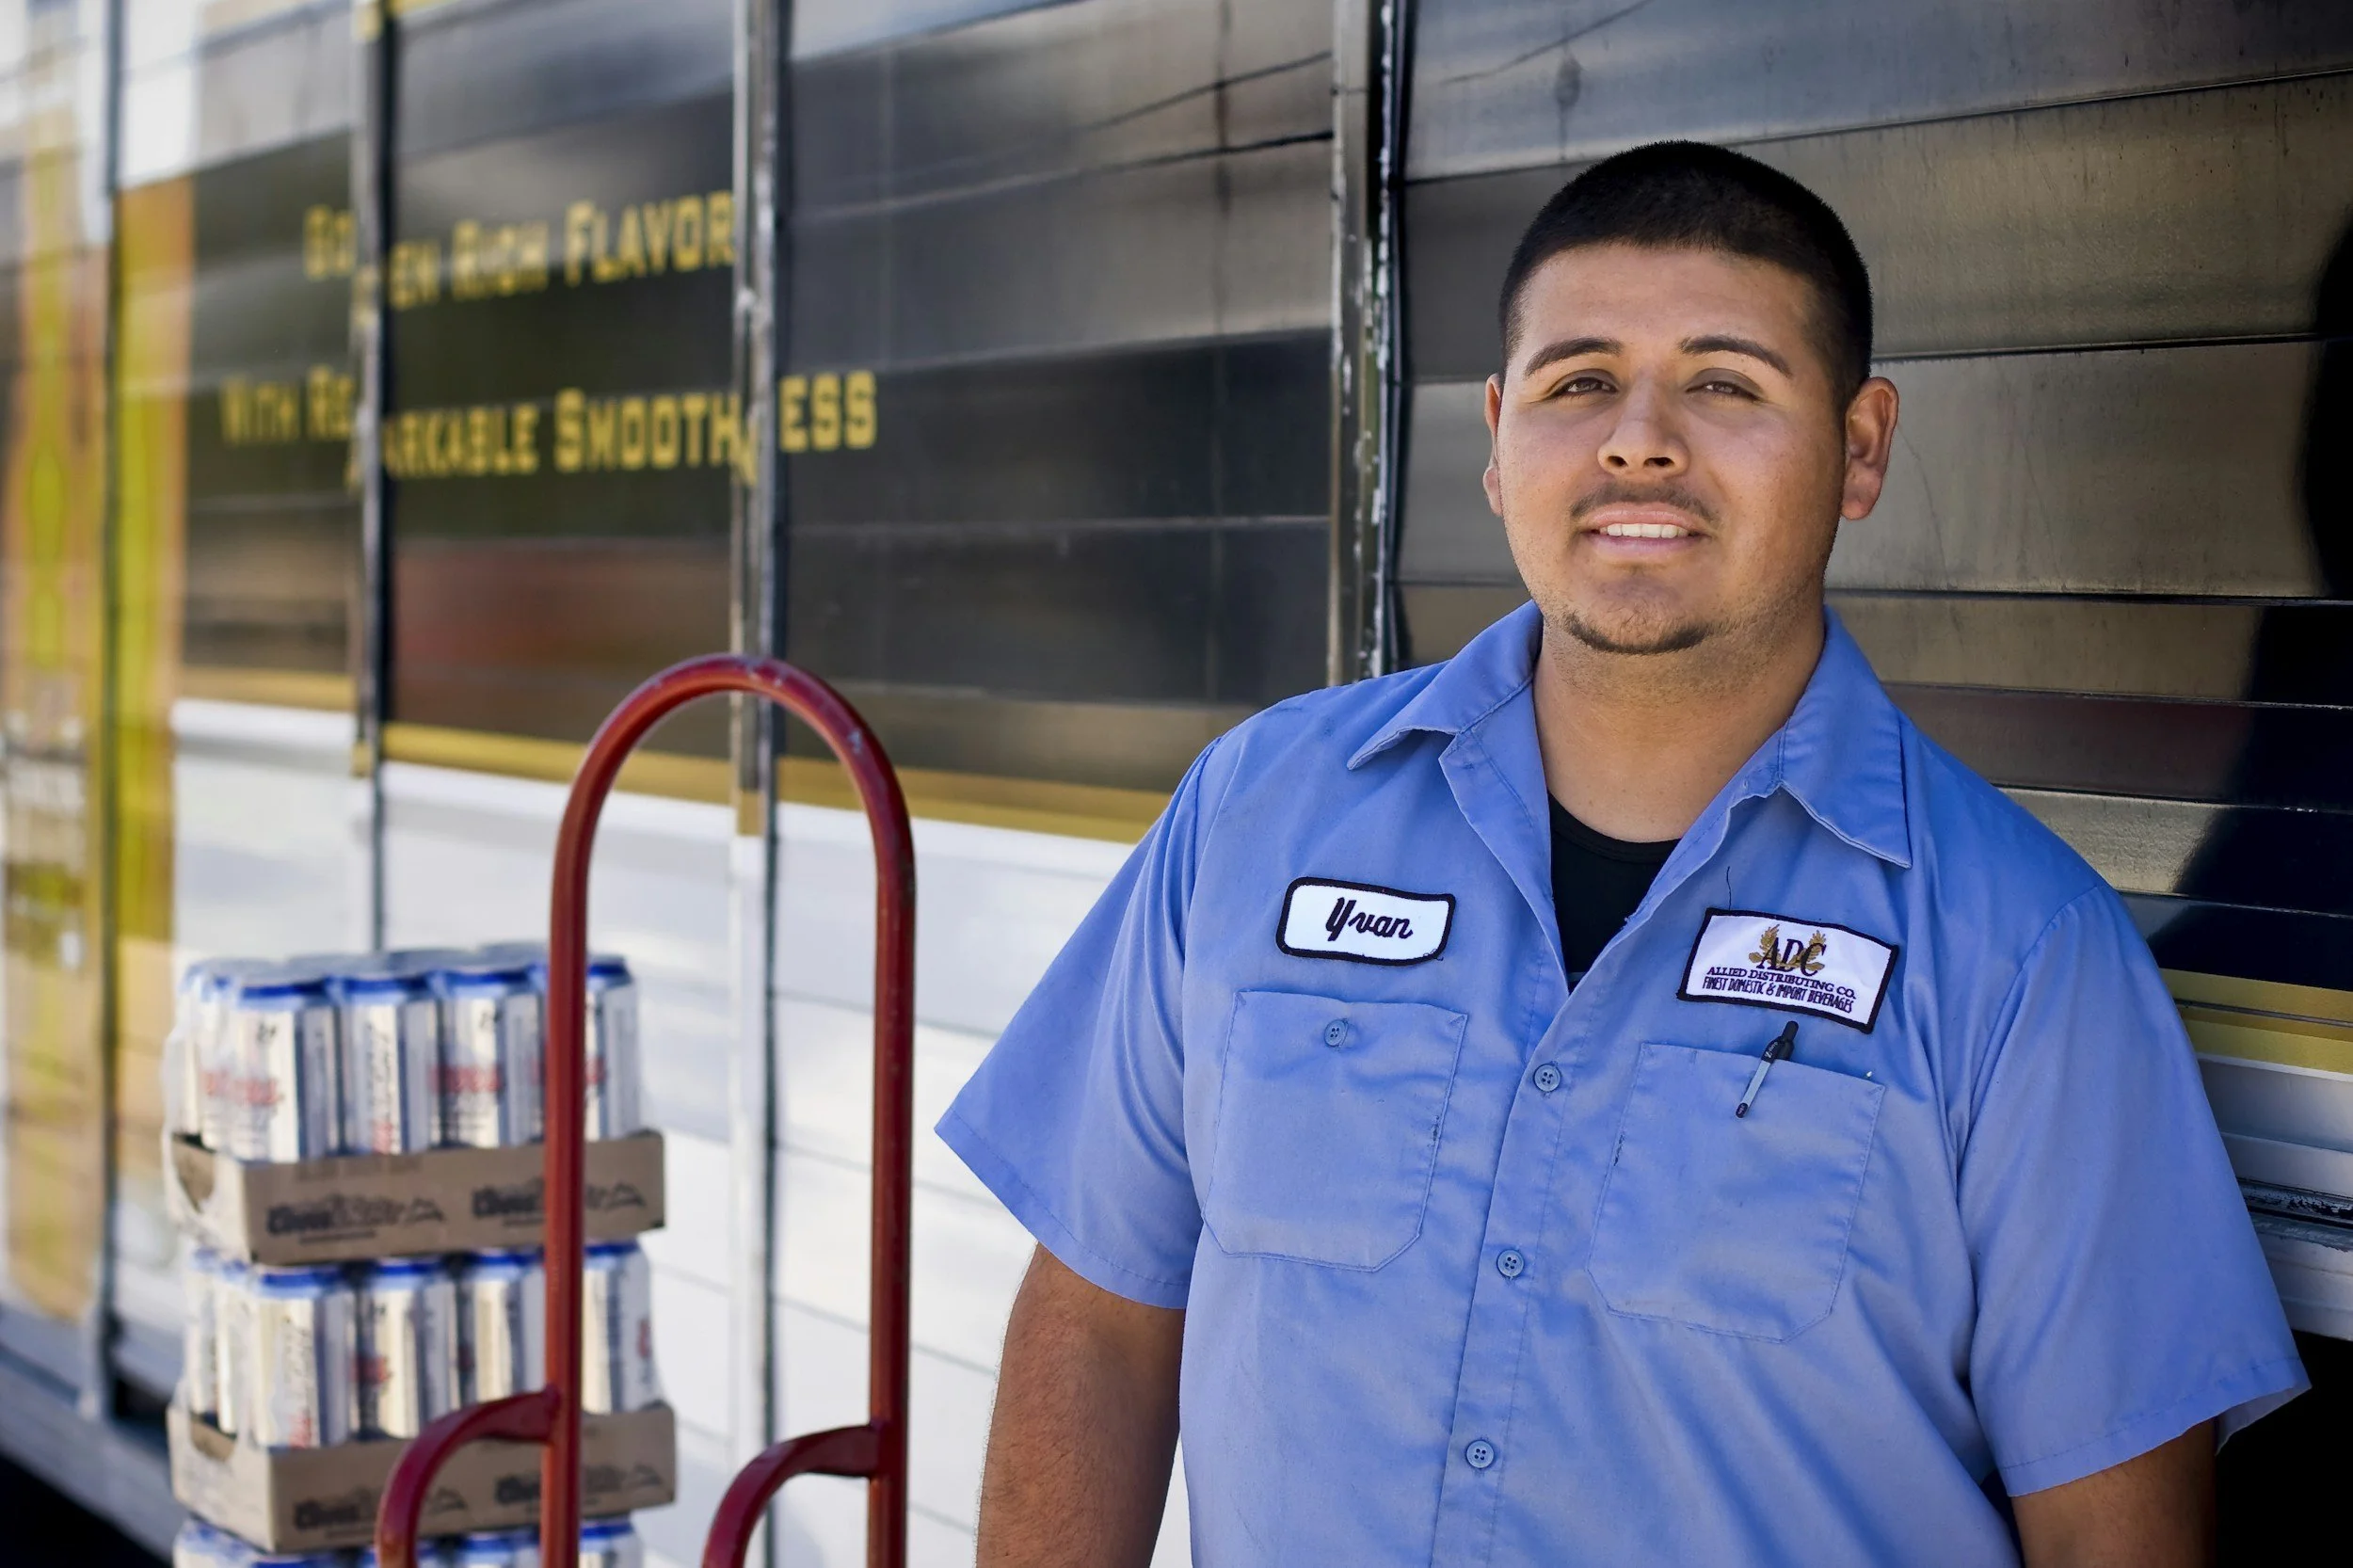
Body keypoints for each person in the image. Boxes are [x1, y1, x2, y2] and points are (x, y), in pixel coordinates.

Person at [937, 141, 2305, 1567]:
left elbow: (2112, 1534)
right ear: (1496, 436)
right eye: (1579, 381)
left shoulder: (2022, 953)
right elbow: (1097, 1324)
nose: (1638, 441)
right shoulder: (1256, 813)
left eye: (1726, 384)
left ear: (1860, 447)